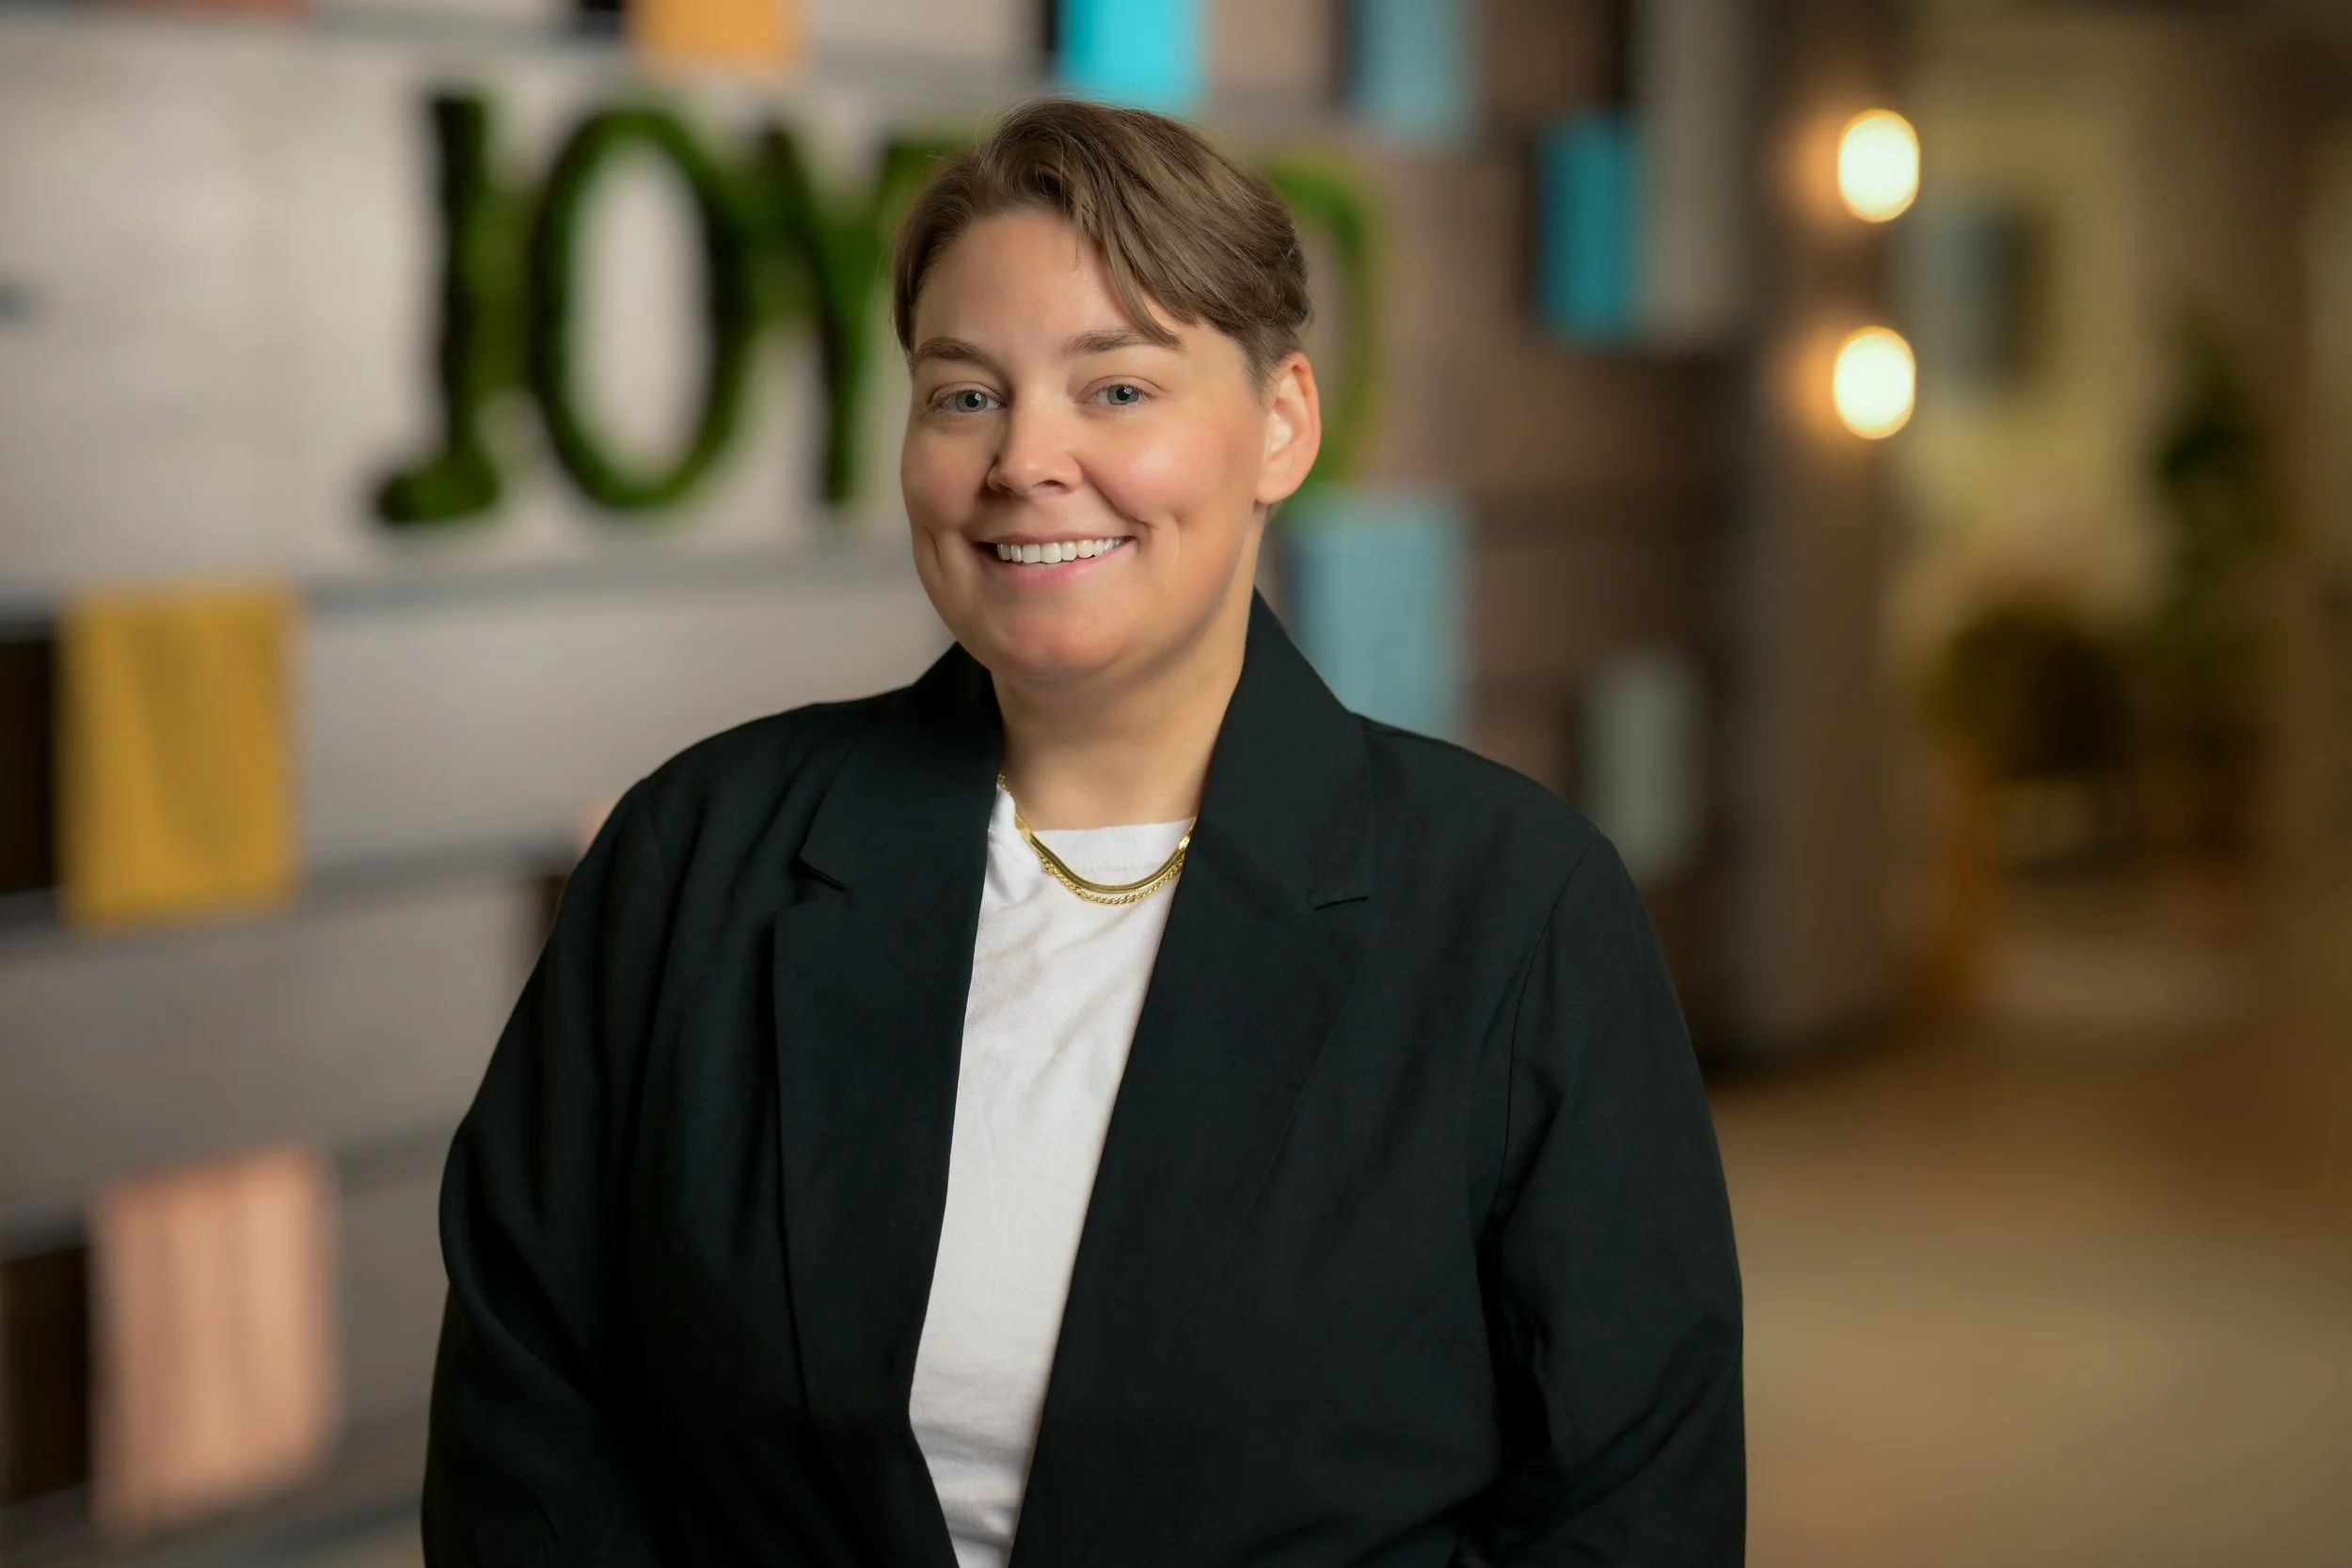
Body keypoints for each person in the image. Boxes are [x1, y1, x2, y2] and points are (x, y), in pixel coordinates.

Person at [423, 98, 1743, 1567]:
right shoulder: (696, 858)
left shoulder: (1517, 909)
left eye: (1116, 389)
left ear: (1282, 426)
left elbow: (1632, 1507)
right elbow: (527, 1426)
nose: (1025, 460)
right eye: (963, 395)